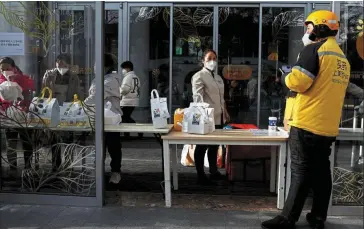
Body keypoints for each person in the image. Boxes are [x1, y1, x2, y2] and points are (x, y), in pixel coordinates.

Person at [262, 10, 351, 229]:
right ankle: (318, 217)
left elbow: (298, 83)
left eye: (309, 27)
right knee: (321, 172)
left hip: (306, 122)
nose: (307, 31)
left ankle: (287, 218)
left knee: (300, 171)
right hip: (327, 126)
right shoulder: (342, 59)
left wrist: (286, 75)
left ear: (320, 27)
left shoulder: (314, 50)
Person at [191, 49, 230, 185]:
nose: (212, 61)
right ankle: (200, 175)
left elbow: (221, 98)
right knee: (201, 146)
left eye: (214, 58)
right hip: (206, 118)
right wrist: (202, 115)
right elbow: (197, 97)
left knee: (214, 146)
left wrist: (225, 111)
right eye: (209, 58)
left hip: (219, 117)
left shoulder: (218, 77)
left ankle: (213, 172)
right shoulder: (199, 76)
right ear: (203, 60)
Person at [85, 53, 123, 184]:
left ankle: (115, 172)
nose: (94, 67)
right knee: (99, 145)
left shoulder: (110, 80)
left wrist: (80, 105)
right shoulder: (98, 79)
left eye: (97, 64)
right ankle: (98, 171)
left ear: (105, 66)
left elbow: (95, 97)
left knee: (113, 146)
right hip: (99, 118)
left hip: (111, 118)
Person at [42, 54, 82, 171]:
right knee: (54, 138)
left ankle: (69, 163)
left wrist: (77, 105)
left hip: (68, 108)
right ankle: (56, 164)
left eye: (63, 63)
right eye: (58, 63)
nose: (60, 65)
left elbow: (78, 92)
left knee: (69, 137)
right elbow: (44, 91)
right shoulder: (49, 75)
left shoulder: (73, 76)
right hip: (53, 108)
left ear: (68, 65)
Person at [0, 57, 35, 170]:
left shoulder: (22, 77)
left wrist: (18, 79)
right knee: (11, 143)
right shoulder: (0, 80)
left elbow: (31, 87)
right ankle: (13, 168)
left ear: (14, 68)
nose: (5, 71)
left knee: (26, 141)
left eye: (8, 68)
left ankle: (28, 167)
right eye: (2, 69)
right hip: (8, 116)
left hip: (23, 115)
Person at [120, 61, 141, 138]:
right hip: (133, 100)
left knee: (124, 117)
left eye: (124, 68)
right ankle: (128, 133)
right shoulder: (136, 77)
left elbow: (124, 90)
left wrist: (119, 91)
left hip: (127, 101)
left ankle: (137, 130)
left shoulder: (128, 77)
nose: (123, 70)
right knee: (126, 117)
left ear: (128, 68)